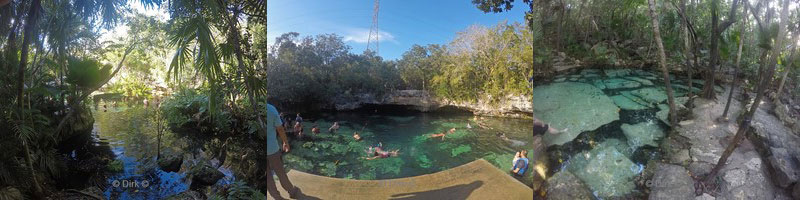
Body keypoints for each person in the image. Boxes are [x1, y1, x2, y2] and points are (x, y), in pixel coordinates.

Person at [266, 103, 301, 200]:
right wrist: (285, 142)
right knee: (280, 172)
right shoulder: (270, 109)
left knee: (267, 176)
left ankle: (277, 197)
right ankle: (292, 191)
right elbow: (280, 129)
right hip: (272, 149)